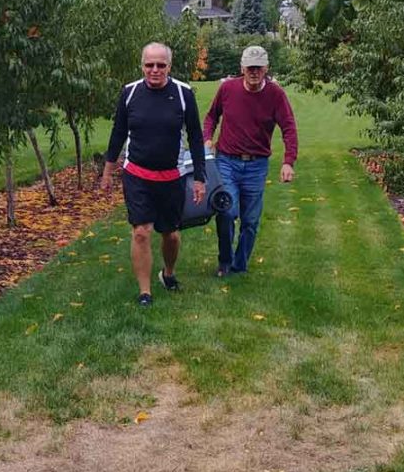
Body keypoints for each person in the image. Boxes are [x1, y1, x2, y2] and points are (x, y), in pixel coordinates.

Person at [101, 42, 207, 307]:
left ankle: (168, 273)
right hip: (137, 175)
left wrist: (200, 178)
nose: (155, 70)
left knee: (170, 234)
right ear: (142, 66)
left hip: (171, 176)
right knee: (141, 232)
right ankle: (145, 292)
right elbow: (117, 134)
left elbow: (195, 137)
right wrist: (107, 170)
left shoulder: (183, 94)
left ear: (169, 66)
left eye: (161, 65)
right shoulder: (130, 93)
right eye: (150, 65)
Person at [203, 45, 298, 277]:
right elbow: (211, 117)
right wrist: (207, 139)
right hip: (227, 161)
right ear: (242, 68)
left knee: (250, 221)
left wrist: (288, 161)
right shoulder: (228, 89)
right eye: (250, 68)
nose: (254, 72)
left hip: (256, 165)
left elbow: (288, 128)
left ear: (266, 68)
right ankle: (225, 261)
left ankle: (240, 264)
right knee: (226, 211)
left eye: (258, 68)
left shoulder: (275, 95)